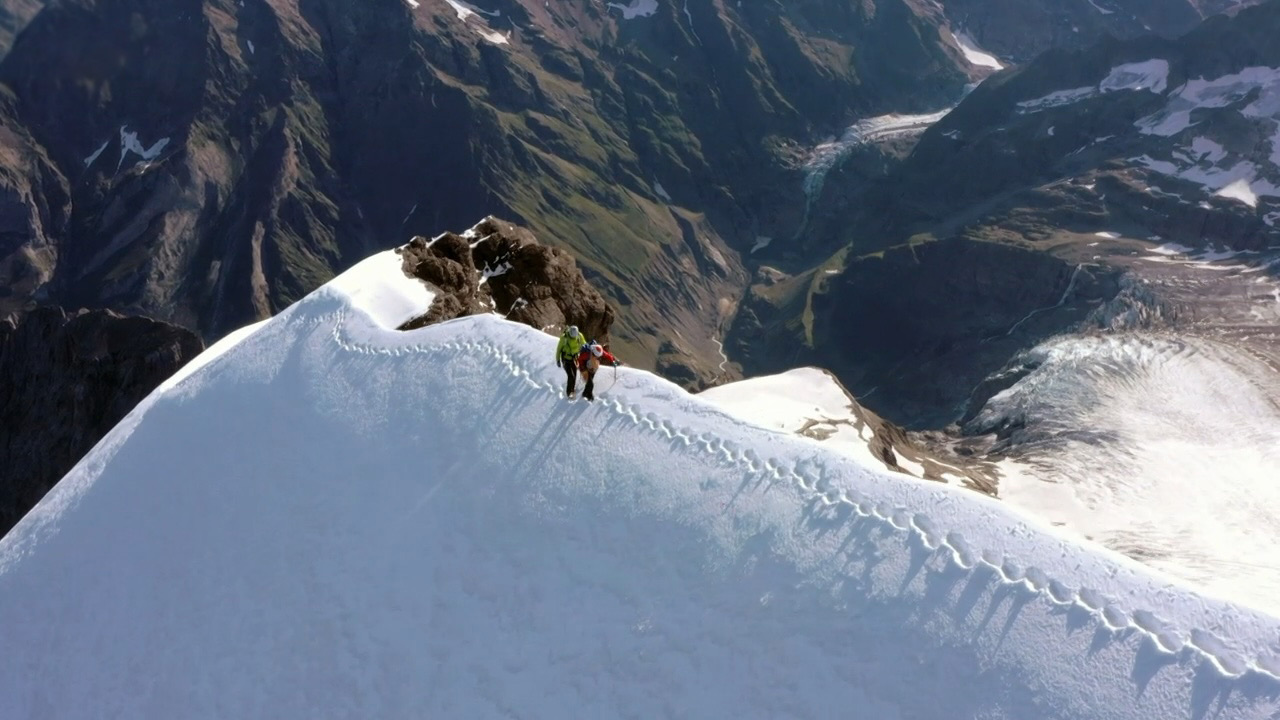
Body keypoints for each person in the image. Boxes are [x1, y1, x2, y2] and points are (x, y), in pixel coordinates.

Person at [554, 325, 590, 398]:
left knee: (574, 375)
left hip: (574, 358)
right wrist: (558, 359)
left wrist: (589, 349)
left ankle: (572, 390)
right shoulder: (564, 338)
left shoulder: (579, 336)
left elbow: (584, 344)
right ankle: (569, 393)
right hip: (566, 359)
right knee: (571, 376)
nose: (573, 337)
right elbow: (559, 349)